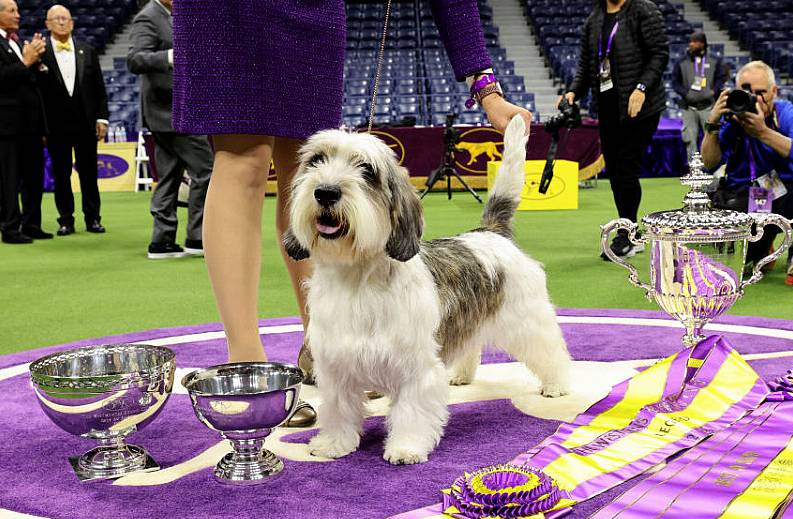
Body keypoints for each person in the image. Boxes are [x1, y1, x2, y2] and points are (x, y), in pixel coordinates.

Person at [171, 0, 532, 427]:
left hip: (311, 14)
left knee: (308, 160)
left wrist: (484, 84)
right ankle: (247, 363)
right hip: (226, 13)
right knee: (243, 159)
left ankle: (326, 346)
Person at [701, 61, 793, 290]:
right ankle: (764, 243)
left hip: (783, 198)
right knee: (737, 267)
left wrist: (763, 132)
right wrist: (713, 123)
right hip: (743, 202)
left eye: (761, 93)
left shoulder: (787, 113)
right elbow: (708, 165)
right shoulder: (733, 119)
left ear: (774, 92)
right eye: (748, 92)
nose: (755, 99)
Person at [558, 0, 669, 259]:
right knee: (616, 172)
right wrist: (574, 90)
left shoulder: (643, 10)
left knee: (627, 167)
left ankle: (628, 235)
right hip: (608, 107)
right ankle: (629, 230)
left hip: (641, 106)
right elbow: (586, 65)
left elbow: (659, 54)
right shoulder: (594, 18)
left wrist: (641, 88)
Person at [127, 0, 211, 260]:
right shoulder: (148, 17)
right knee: (207, 170)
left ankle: (161, 240)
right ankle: (197, 236)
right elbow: (135, 59)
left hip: (171, 112)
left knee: (169, 175)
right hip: (170, 112)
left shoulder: (173, 14)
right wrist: (170, 56)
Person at [0, 0, 50, 244]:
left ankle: (32, 223)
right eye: (12, 10)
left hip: (30, 121)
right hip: (6, 122)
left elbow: (24, 78)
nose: (18, 15)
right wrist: (26, 61)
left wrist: (37, 63)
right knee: (11, 177)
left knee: (34, 175)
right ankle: (10, 227)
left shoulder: (14, 40)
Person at [40, 4, 109, 236]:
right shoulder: (39, 52)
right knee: (61, 175)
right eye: (56, 19)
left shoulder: (87, 50)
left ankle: (93, 218)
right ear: (47, 24)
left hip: (86, 123)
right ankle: (65, 220)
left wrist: (102, 118)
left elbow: (99, 88)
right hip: (55, 126)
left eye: (65, 18)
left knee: (89, 173)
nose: (61, 22)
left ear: (72, 23)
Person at [672, 31, 726, 160]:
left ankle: (714, 169)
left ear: (702, 44)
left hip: (708, 107)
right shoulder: (681, 62)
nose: (691, 44)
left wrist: (713, 91)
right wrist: (685, 93)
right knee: (690, 139)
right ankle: (694, 171)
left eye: (695, 42)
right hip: (689, 107)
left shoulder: (714, 60)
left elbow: (720, 78)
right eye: (690, 41)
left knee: (713, 138)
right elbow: (675, 82)